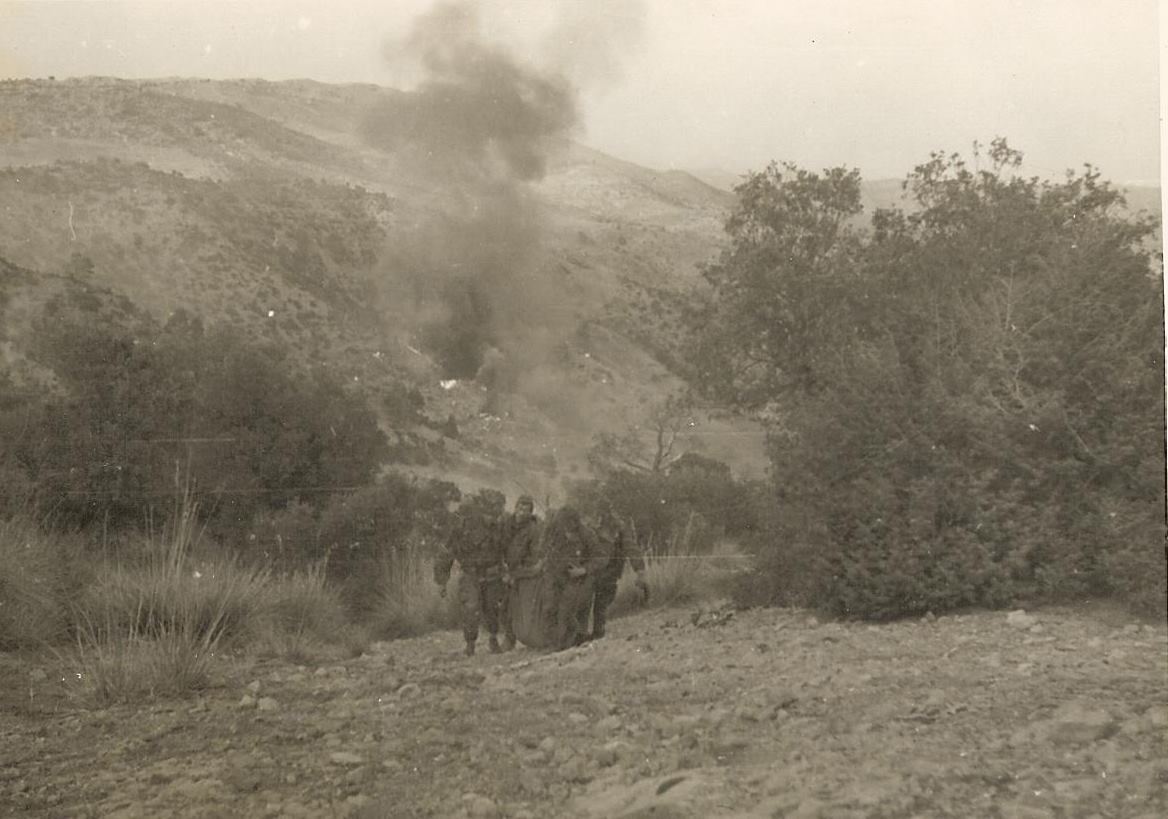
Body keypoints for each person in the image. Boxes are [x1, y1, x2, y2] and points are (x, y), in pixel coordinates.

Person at [433, 502, 508, 656]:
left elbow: (505, 548)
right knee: (470, 607)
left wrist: (507, 571)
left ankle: (493, 639)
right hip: (470, 574)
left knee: (492, 608)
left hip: (491, 574)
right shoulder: (458, 530)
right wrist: (442, 581)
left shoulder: (493, 526)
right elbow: (446, 555)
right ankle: (470, 643)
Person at [587, 507, 650, 640]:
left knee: (600, 604)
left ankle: (597, 633)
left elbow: (631, 548)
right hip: (593, 570)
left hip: (609, 572)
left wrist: (640, 571)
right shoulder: (592, 525)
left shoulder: (620, 528)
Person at [498, 495, 541, 650]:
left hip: (524, 575)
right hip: (504, 571)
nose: (522, 513)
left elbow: (534, 560)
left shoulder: (533, 531)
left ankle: (521, 639)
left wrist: (516, 574)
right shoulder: (505, 524)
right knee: (502, 608)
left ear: (531, 513)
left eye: (526, 510)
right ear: (515, 508)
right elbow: (498, 547)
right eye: (520, 508)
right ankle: (508, 638)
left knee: (520, 609)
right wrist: (503, 569)